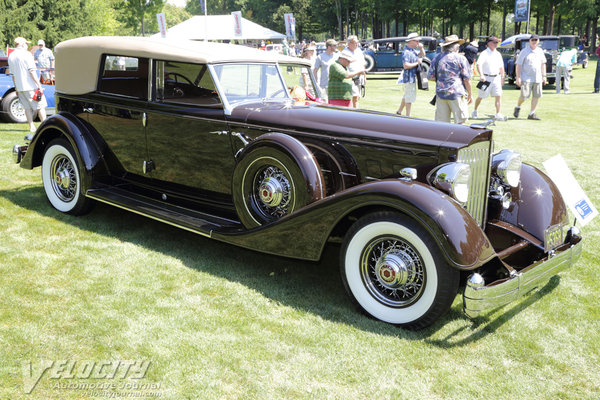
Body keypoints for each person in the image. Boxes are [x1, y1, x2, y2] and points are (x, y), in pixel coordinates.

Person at [428, 35, 473, 124]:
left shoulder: (437, 58)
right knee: (460, 123)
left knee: (442, 126)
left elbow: (430, 77)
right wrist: (470, 94)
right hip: (457, 94)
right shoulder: (461, 58)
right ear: (456, 46)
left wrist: (443, 78)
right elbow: (467, 79)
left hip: (441, 95)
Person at [8, 37, 47, 133]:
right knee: (40, 107)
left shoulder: (11, 56)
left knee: (27, 108)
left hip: (20, 87)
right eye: (26, 44)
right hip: (31, 86)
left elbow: (12, 75)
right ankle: (45, 126)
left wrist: (16, 88)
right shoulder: (27, 54)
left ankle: (31, 126)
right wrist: (39, 85)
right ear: (22, 44)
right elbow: (32, 71)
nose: (27, 45)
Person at [472, 36, 506, 120]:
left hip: (496, 78)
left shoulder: (498, 54)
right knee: (480, 96)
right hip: (486, 78)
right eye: (494, 42)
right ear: (489, 43)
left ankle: (498, 113)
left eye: (496, 43)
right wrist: (482, 75)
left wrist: (502, 77)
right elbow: (479, 65)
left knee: (498, 95)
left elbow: (501, 67)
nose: (495, 44)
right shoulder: (484, 53)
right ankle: (475, 110)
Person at [513, 34, 546, 120]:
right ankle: (518, 106)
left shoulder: (540, 51)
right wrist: (518, 77)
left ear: (538, 41)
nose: (534, 42)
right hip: (526, 78)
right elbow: (518, 65)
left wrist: (544, 76)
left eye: (536, 40)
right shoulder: (524, 51)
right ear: (529, 41)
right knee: (524, 96)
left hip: (537, 78)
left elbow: (543, 64)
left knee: (536, 96)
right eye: (532, 40)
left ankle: (532, 113)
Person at [396, 32, 425, 116]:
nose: (418, 43)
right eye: (417, 41)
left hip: (411, 77)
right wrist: (417, 63)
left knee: (407, 95)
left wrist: (421, 48)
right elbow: (406, 65)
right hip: (409, 78)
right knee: (409, 98)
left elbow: (422, 55)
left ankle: (399, 111)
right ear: (411, 41)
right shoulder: (407, 52)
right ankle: (408, 116)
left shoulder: (412, 51)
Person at [342, 35, 366, 108]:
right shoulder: (345, 52)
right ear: (349, 43)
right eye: (355, 42)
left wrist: (365, 76)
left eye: (357, 42)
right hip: (350, 78)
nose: (357, 44)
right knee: (354, 97)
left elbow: (363, 64)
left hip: (359, 77)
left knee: (357, 97)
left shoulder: (359, 51)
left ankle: (355, 112)